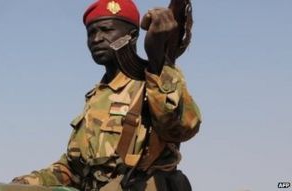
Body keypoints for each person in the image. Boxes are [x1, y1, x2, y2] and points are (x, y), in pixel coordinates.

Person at [11, 0, 201, 190]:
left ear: (132, 36)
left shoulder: (154, 82)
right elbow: (73, 169)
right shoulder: (96, 97)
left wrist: (158, 60)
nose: (96, 39)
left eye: (105, 30)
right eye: (91, 33)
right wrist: (27, 183)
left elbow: (181, 128)